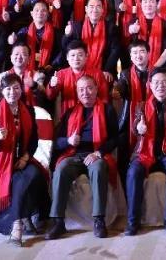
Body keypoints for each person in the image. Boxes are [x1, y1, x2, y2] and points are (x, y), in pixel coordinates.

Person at [46, 75, 123, 239]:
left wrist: (98, 153)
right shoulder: (70, 112)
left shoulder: (107, 109)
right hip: (74, 154)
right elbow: (57, 142)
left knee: (98, 167)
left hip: (96, 154)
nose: (85, 92)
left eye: (89, 88)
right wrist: (68, 140)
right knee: (61, 169)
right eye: (81, 89)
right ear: (77, 92)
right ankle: (58, 221)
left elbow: (116, 138)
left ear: (96, 89)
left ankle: (99, 219)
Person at [0, 73, 49, 246]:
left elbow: (34, 140)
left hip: (23, 158)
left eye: (16, 88)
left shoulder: (28, 110)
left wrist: (26, 158)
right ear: (2, 91)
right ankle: (18, 223)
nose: (12, 92)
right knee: (18, 180)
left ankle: (24, 217)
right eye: (8, 88)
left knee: (35, 174)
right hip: (1, 161)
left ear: (21, 89)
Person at [124, 69, 166, 236]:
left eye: (164, 82)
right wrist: (138, 128)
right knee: (133, 172)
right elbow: (135, 127)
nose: (160, 86)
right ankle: (132, 221)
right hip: (145, 152)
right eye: (156, 82)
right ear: (150, 85)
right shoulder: (141, 106)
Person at [8, 0, 62, 72]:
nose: (40, 13)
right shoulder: (24, 31)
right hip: (26, 69)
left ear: (48, 14)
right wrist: (12, 41)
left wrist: (52, 65)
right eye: (37, 10)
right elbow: (17, 46)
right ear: (31, 13)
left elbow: (60, 52)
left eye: (43, 10)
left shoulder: (56, 32)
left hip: (48, 69)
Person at [126, 0, 166, 69]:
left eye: (151, 1)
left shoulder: (164, 24)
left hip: (158, 66)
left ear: (157, 4)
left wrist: (154, 68)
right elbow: (128, 33)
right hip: (137, 66)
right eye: (145, 2)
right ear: (140, 4)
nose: (148, 4)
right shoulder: (134, 22)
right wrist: (131, 30)